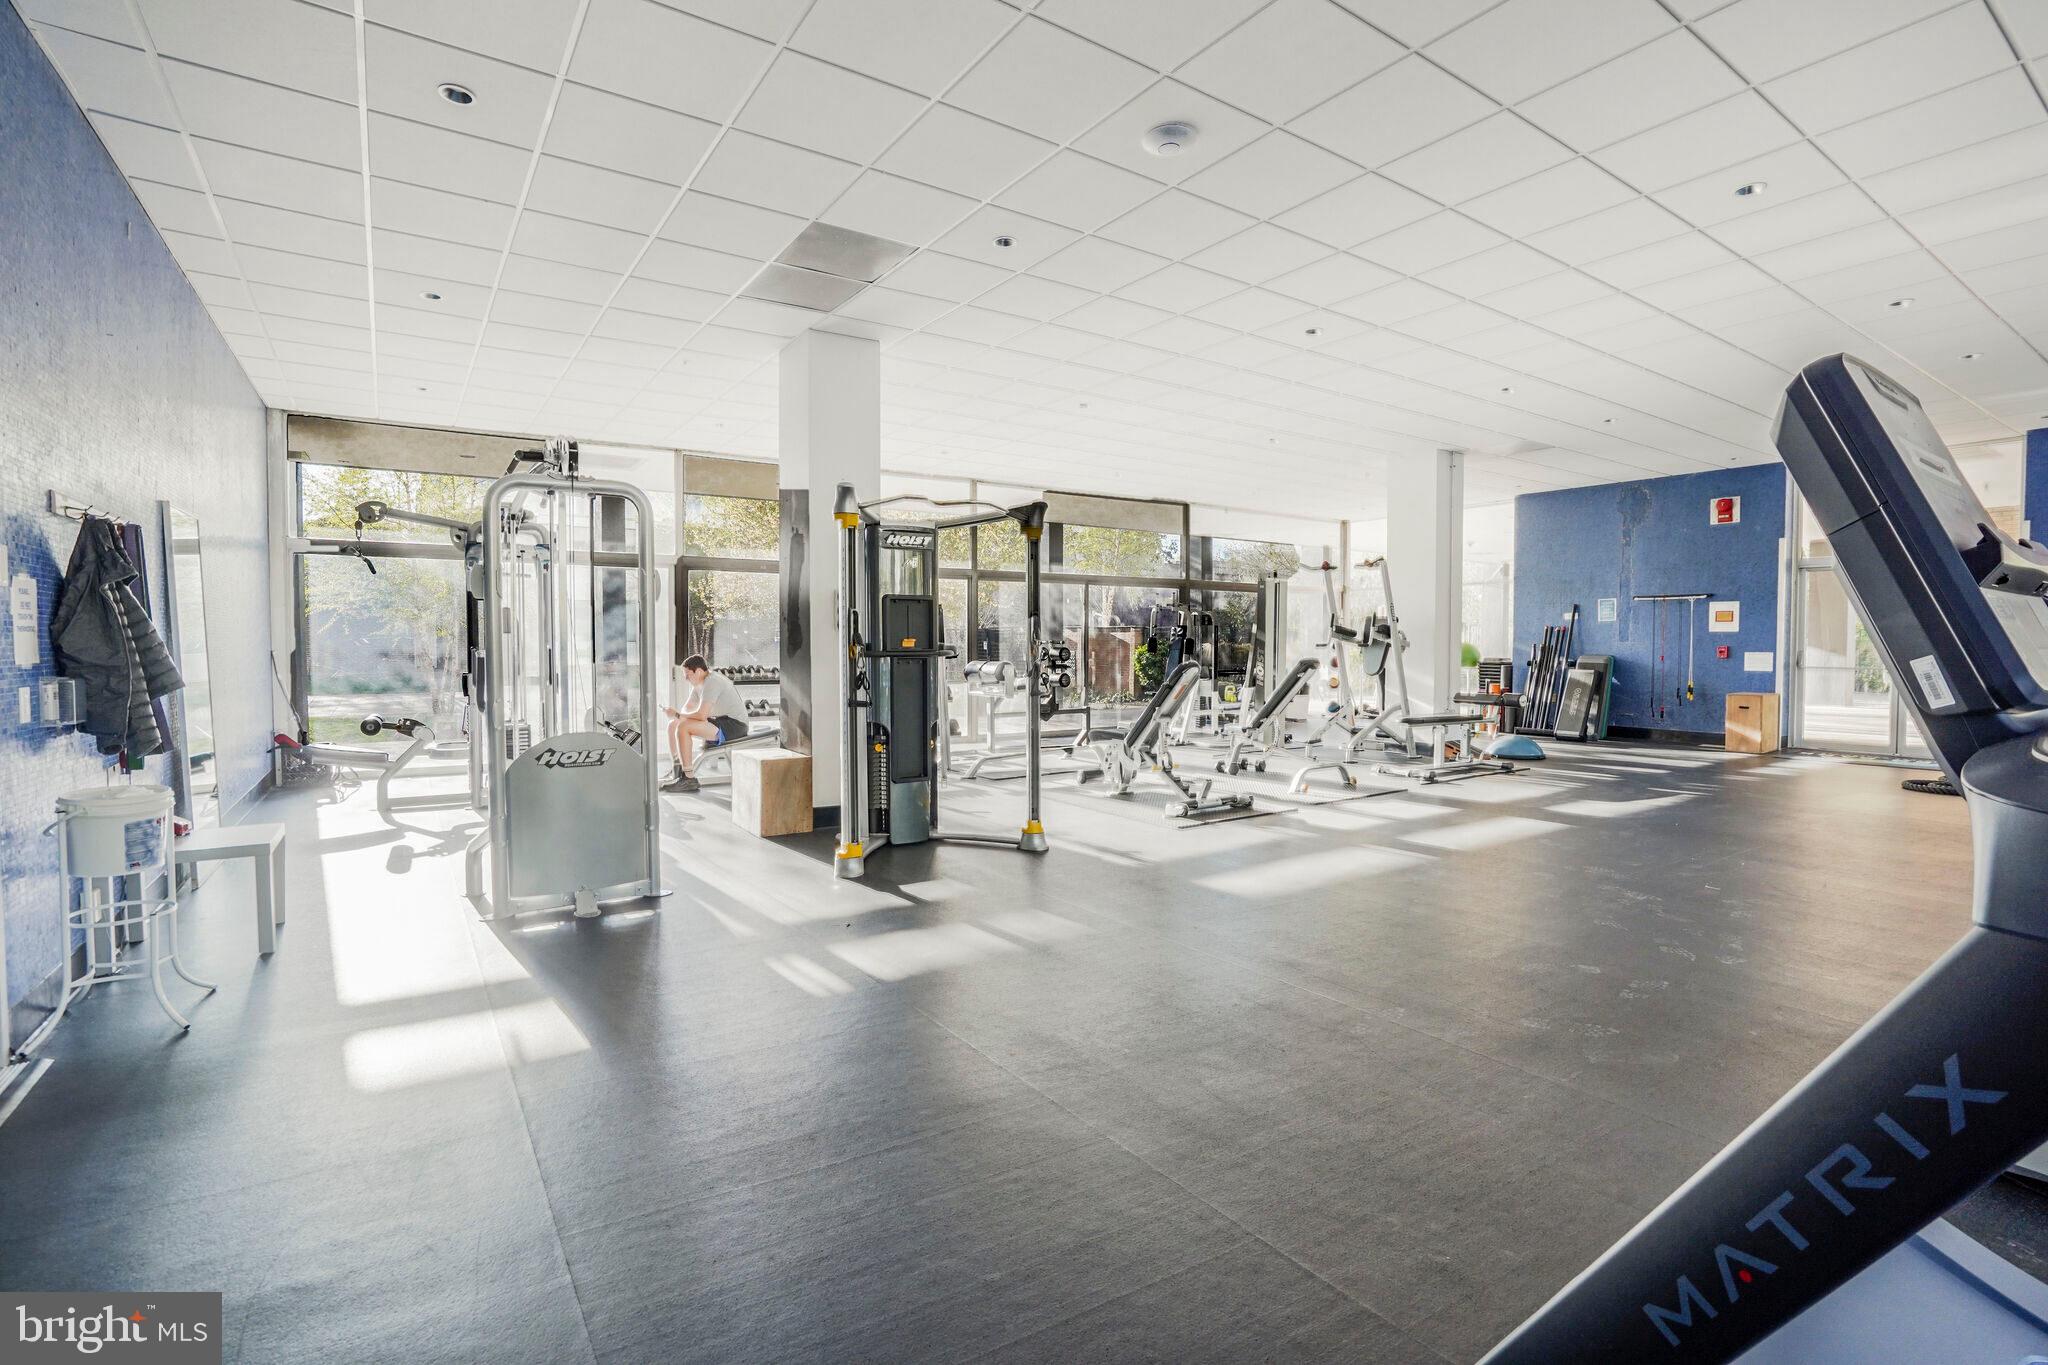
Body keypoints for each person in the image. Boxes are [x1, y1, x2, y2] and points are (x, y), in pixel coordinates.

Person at [663, 654, 748, 792]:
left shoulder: (712, 682)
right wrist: (677, 716)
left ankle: (689, 779)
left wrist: (678, 715)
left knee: (683, 727)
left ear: (698, 671)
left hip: (735, 726)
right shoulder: (698, 685)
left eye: (687, 675)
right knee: (673, 725)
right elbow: (686, 710)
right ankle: (678, 770)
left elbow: (701, 715)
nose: (686, 679)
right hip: (720, 721)